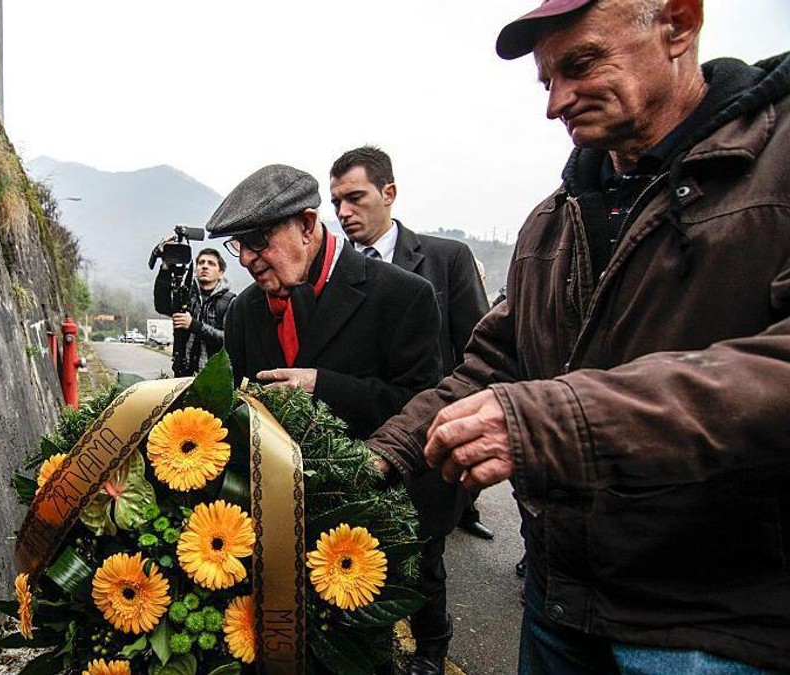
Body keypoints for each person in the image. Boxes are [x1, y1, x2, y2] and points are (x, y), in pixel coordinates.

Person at [367, 0, 790, 672]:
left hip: (714, 623)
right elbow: (492, 365)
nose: (556, 102)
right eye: (548, 80)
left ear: (679, 23)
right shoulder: (552, 221)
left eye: (582, 64)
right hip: (560, 604)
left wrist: (550, 421)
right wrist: (383, 454)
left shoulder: (776, 165)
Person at [329, 146, 490, 675]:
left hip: (426, 437)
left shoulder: (446, 259)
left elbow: (477, 353)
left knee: (425, 558)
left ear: (389, 193)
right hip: (358, 439)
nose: (344, 212)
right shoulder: (334, 272)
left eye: (355, 197)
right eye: (336, 202)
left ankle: (431, 649)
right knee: (355, 557)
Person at [206, 163, 441, 441]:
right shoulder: (243, 309)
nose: (245, 259)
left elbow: (422, 411)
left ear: (307, 225)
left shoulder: (403, 295)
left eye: (257, 239)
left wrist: (321, 387)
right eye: (239, 244)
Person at [152, 246, 235, 376]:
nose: (205, 266)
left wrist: (194, 325)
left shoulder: (229, 302)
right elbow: (162, 306)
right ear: (195, 270)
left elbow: (229, 340)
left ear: (221, 273)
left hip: (214, 376)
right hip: (184, 372)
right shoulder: (186, 296)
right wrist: (165, 268)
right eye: (201, 263)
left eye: (211, 263)